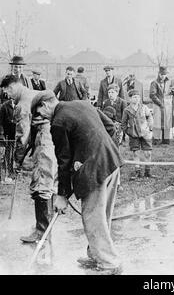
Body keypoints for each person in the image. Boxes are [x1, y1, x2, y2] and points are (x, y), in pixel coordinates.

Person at [30, 90, 123, 274]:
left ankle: (110, 263)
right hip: (112, 163)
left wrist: (62, 195)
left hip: (95, 171)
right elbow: (111, 127)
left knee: (93, 217)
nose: (43, 119)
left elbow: (63, 161)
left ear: (46, 104)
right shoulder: (82, 103)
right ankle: (96, 255)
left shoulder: (58, 122)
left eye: (40, 114)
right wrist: (98, 151)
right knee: (103, 215)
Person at [0, 75, 57, 243]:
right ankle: (45, 228)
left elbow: (22, 138)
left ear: (13, 86)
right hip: (53, 141)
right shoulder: (34, 93)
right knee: (49, 184)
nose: (7, 94)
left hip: (45, 143)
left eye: (7, 90)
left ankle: (42, 232)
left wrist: (16, 163)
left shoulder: (22, 104)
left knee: (41, 184)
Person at [121, 89, 153, 178]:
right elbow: (123, 124)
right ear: (130, 99)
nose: (137, 99)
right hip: (134, 135)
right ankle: (137, 171)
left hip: (145, 133)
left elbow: (149, 117)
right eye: (134, 97)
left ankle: (148, 171)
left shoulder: (144, 107)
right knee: (136, 153)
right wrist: (129, 132)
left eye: (138, 97)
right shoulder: (127, 110)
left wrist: (149, 128)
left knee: (148, 153)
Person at [149, 66, 173, 145]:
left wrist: (173, 90)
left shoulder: (168, 82)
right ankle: (156, 140)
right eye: (162, 74)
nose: (163, 76)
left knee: (166, 123)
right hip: (157, 105)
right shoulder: (154, 83)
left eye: (165, 74)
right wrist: (160, 103)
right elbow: (152, 95)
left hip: (167, 105)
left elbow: (170, 92)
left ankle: (166, 140)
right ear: (159, 74)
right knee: (157, 123)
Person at [0, 98, 16, 181]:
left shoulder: (19, 105)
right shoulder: (5, 106)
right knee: (6, 153)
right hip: (7, 134)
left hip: (15, 134)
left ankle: (12, 171)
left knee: (13, 153)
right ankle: (5, 172)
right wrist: (2, 134)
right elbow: (1, 121)